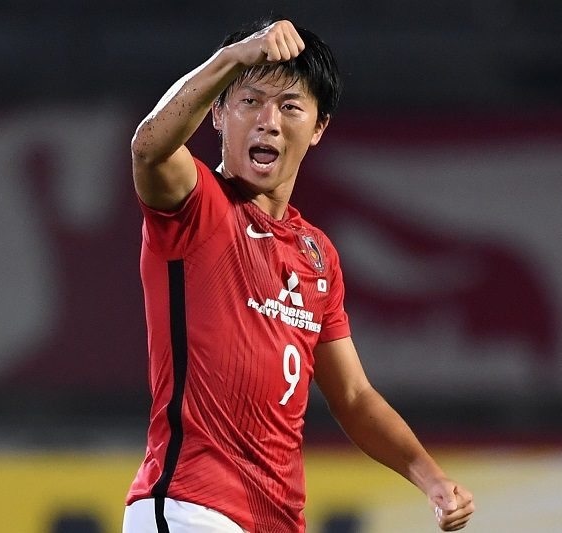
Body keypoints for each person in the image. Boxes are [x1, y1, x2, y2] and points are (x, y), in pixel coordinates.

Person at [124, 18, 475, 533]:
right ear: (218, 112)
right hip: (190, 508)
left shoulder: (316, 255)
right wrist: (233, 58)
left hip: (278, 520)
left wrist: (431, 478)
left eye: (289, 106)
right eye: (249, 101)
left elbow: (353, 397)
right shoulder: (196, 205)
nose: (267, 121)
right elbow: (148, 148)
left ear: (318, 128)